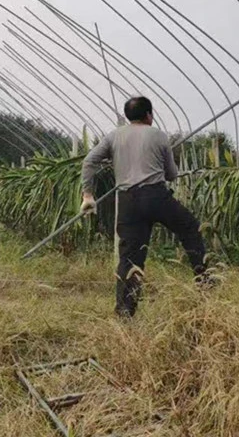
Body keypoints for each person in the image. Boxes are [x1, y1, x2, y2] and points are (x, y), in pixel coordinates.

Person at [81, 96, 209, 317]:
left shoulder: (113, 136)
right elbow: (171, 174)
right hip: (156, 197)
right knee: (190, 228)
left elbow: (89, 161)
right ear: (149, 115)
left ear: (128, 116)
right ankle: (204, 281)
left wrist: (88, 194)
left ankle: (125, 312)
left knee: (130, 257)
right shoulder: (158, 135)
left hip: (128, 201)